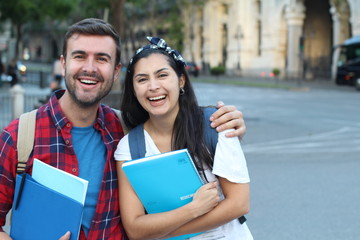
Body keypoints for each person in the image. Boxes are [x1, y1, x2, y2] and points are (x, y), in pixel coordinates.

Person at [0, 19, 246, 240]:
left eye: (102, 59)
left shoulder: (125, 130)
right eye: (79, 56)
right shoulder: (20, 137)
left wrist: (228, 126)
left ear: (116, 71)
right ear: (63, 63)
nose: (90, 67)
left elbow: (176, 130)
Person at [115, 37, 253, 240]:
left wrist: (164, 232)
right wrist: (193, 209)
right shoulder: (129, 147)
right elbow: (135, 229)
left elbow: (239, 203)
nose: (153, 86)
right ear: (134, 90)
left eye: (162, 75)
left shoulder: (217, 123)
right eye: (142, 79)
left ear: (181, 80)